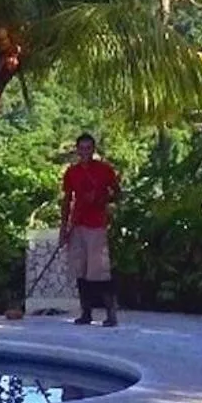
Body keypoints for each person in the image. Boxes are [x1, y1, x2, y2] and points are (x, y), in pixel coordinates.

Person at [59, 133, 120, 326]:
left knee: (100, 271)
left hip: (97, 225)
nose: (85, 152)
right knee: (80, 270)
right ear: (77, 150)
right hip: (77, 225)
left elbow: (117, 193)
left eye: (88, 148)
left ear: (93, 150)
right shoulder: (72, 172)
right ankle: (86, 312)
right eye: (81, 148)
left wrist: (101, 200)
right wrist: (64, 227)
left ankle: (111, 313)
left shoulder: (104, 170)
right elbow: (67, 200)